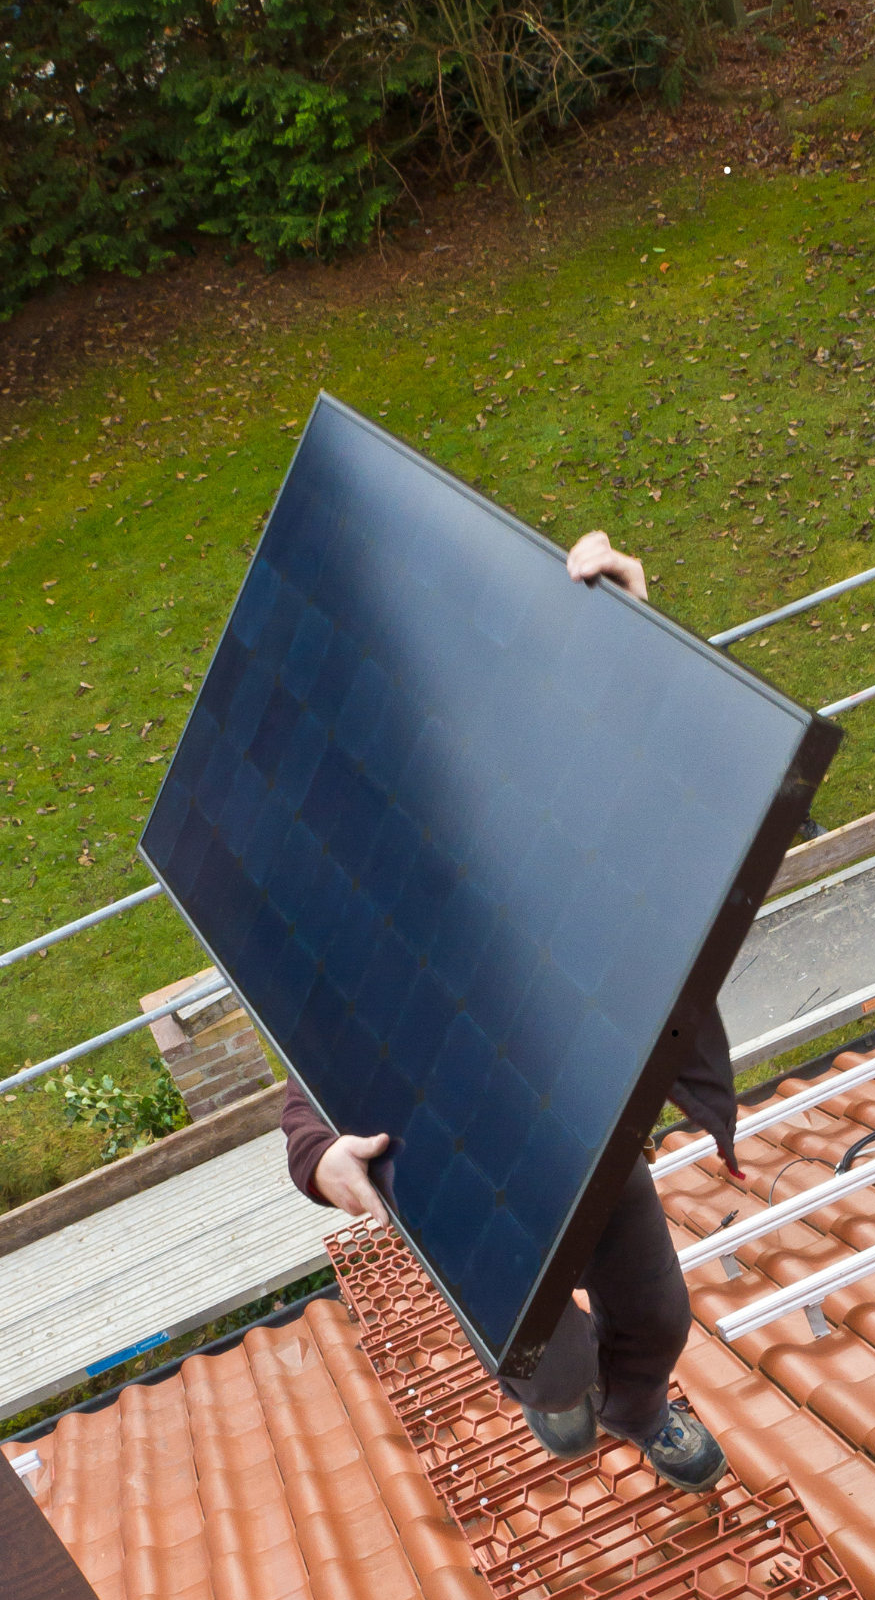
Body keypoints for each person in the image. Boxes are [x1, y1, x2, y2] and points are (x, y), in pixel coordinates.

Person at [281, 530, 742, 1493]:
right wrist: (323, 1160)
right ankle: (567, 1394)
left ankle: (643, 1408)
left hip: (580, 1141)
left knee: (656, 1315)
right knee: (548, 1358)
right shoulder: (351, 912)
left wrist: (625, 634)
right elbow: (304, 1080)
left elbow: (648, 796)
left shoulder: (530, 842)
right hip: (457, 1180)